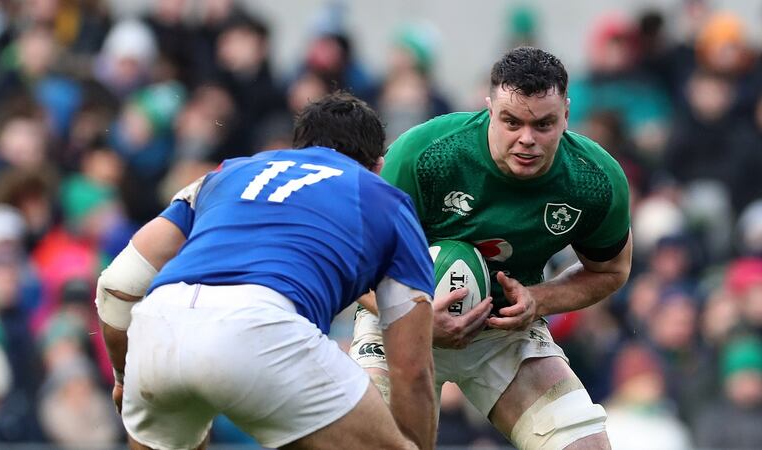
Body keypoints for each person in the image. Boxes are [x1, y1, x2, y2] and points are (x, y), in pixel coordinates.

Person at [95, 92, 439, 450]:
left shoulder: (227, 173)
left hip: (159, 328)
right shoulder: (386, 198)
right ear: (379, 166)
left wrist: (124, 376)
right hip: (263, 327)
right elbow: (412, 371)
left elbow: (117, 284)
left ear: (297, 147)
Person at [351, 47, 633, 450]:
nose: (526, 139)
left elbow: (611, 271)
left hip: (504, 331)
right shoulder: (425, 154)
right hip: (399, 320)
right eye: (511, 121)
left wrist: (539, 298)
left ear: (566, 114)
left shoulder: (594, 181)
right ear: (489, 109)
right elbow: (351, 263)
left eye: (544, 124)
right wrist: (416, 317)